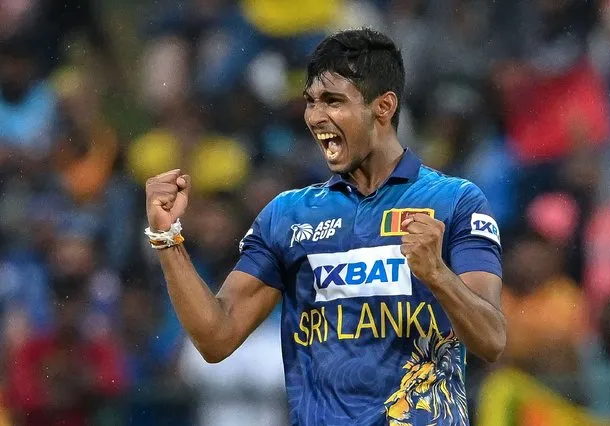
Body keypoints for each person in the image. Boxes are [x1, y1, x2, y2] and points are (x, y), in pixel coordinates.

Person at [144, 28, 506, 425]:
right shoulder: (287, 215)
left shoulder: (456, 201)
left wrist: (437, 274)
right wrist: (167, 238)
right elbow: (216, 339)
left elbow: (490, 340)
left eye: (333, 101)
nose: (316, 117)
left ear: (383, 107)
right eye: (311, 102)